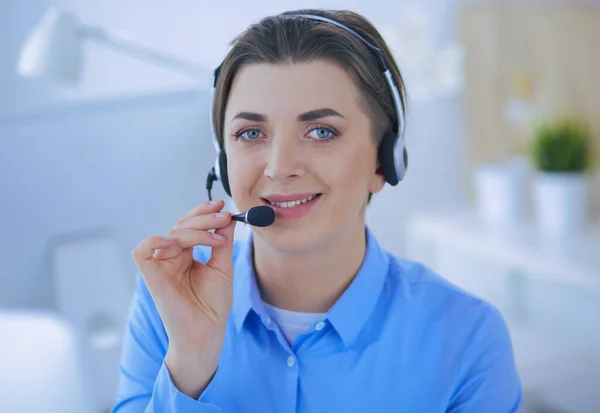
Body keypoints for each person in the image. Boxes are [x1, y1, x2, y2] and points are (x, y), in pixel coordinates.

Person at [112, 9, 522, 413]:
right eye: (250, 133)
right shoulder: (168, 298)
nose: (279, 167)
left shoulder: (466, 337)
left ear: (384, 161)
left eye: (321, 132)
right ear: (223, 161)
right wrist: (191, 364)